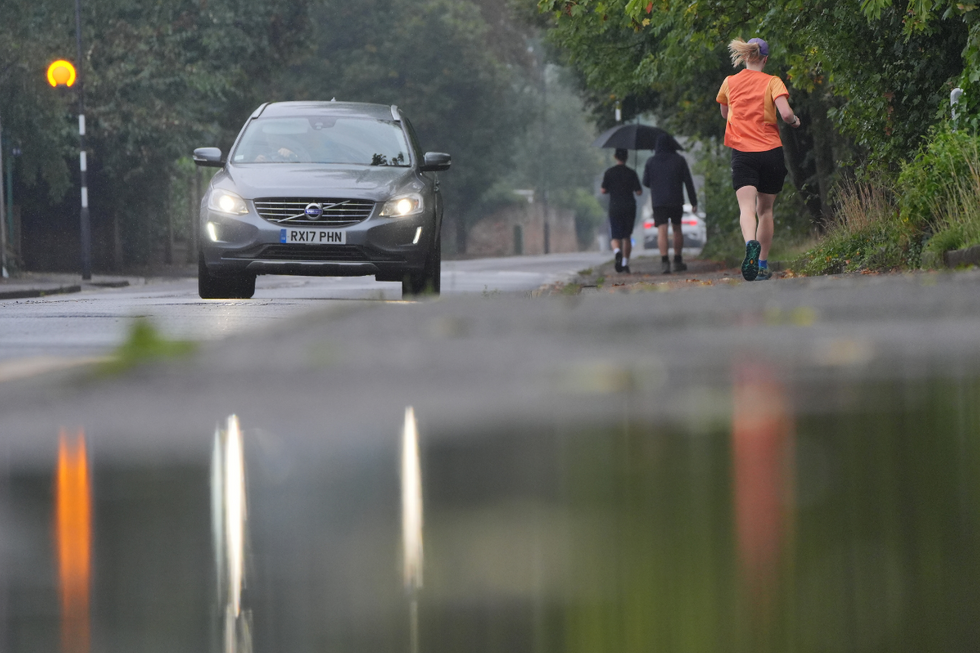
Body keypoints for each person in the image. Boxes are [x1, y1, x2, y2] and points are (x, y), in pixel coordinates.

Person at [716, 37, 801, 281]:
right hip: (770, 151)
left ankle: (750, 243)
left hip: (742, 153)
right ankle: (762, 263)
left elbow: (725, 112)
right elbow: (785, 114)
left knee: (746, 207)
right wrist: (795, 122)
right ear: (765, 59)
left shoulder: (729, 82)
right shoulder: (773, 81)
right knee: (765, 210)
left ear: (744, 56)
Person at [642, 133, 698, 274]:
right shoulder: (679, 160)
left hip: (659, 202)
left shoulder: (651, 161)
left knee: (662, 229)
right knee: (677, 228)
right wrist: (693, 202)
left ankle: (665, 262)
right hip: (675, 200)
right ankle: (677, 261)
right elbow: (688, 182)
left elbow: (646, 183)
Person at [600, 148, 642, 273]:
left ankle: (617, 251)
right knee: (627, 236)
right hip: (629, 207)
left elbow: (603, 190)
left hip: (615, 207)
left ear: (615, 157)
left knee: (615, 236)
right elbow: (639, 192)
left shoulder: (609, 172)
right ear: (627, 157)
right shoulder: (631, 173)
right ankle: (625, 263)